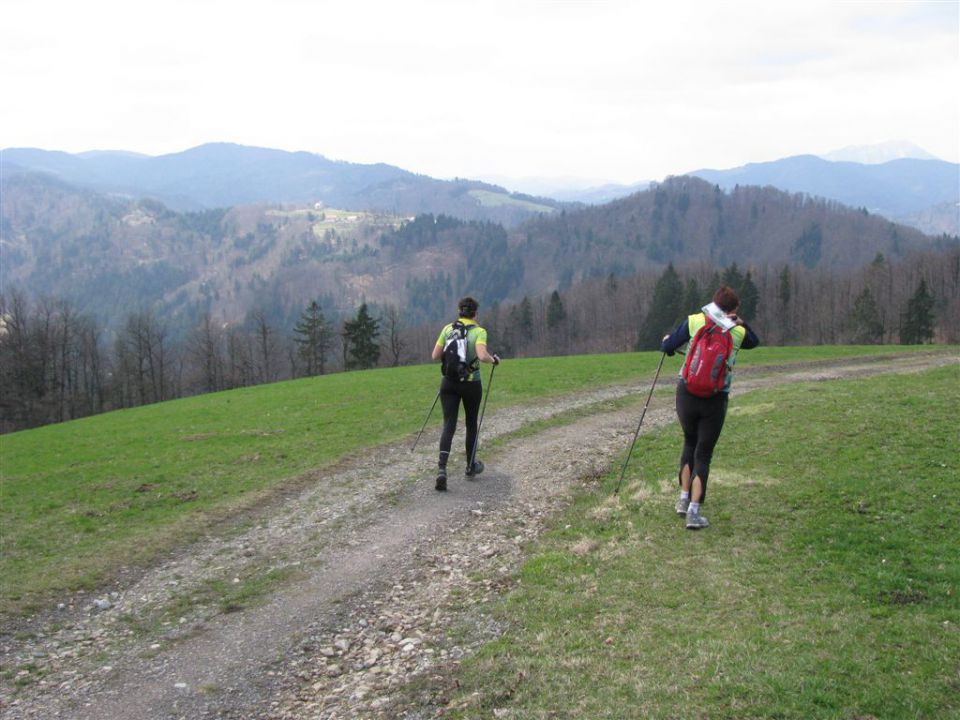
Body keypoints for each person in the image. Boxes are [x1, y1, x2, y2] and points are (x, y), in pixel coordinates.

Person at [660, 286, 759, 529]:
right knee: (703, 453)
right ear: (733, 310)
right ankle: (694, 512)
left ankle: (683, 500)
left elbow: (669, 346)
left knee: (689, 443)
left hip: (687, 393)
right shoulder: (736, 332)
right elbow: (755, 342)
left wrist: (666, 343)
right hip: (715, 399)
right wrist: (740, 321)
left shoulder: (695, 321)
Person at [430, 297, 500, 491]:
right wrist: (494, 360)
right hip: (471, 384)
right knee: (471, 423)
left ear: (460, 312)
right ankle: (470, 466)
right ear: (475, 314)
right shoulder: (479, 331)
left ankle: (442, 470)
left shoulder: (447, 329)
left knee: (449, 425)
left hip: (449, 383)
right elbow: (482, 355)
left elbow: (435, 356)